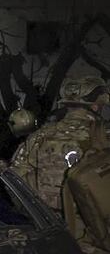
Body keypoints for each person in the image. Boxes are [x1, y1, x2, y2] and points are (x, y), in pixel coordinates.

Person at [11, 76, 108, 228]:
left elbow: (15, 179)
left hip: (51, 229)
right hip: (94, 232)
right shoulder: (104, 135)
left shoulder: (39, 136)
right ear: (96, 106)